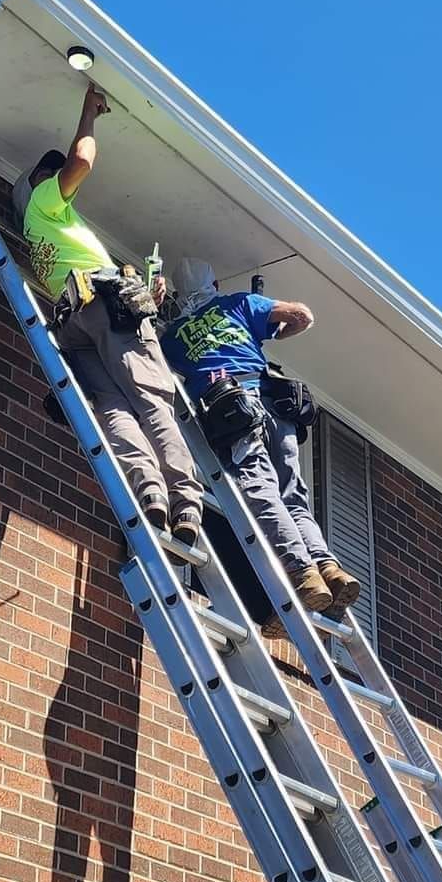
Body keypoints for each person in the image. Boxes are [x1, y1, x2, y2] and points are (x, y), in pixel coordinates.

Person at [11, 86, 202, 545]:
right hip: (103, 305)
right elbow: (82, 161)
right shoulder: (44, 204)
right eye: (52, 175)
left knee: (115, 406)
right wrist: (88, 113)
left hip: (76, 322)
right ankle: (186, 502)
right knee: (153, 399)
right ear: (39, 180)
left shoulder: (45, 233)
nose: (63, 181)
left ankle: (150, 491)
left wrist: (148, 295)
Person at [159, 257, 360, 637]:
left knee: (259, 490)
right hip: (274, 406)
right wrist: (269, 335)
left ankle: (303, 572)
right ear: (213, 284)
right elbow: (302, 316)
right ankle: (328, 566)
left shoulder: (173, 337)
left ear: (181, 296)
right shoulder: (238, 304)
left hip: (233, 409)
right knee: (292, 495)